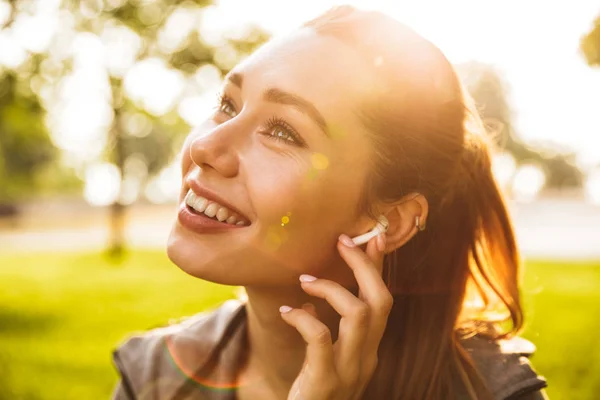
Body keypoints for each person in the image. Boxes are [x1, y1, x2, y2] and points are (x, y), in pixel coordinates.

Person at [111, 5, 548, 400]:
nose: (206, 146)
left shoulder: (490, 393)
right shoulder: (152, 378)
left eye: (282, 131)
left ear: (390, 221)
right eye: (228, 103)